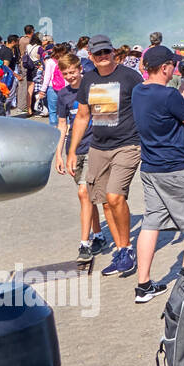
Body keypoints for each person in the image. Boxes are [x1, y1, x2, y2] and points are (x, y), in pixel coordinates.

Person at [131, 45, 184, 303]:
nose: (176, 68)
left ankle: (143, 285)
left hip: (151, 169)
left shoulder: (139, 91)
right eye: (173, 65)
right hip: (178, 169)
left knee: (152, 222)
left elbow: (168, 104)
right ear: (165, 67)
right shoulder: (168, 96)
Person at [68, 35, 144, 277]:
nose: (103, 57)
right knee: (103, 201)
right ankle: (121, 249)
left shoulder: (130, 77)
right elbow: (82, 116)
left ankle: (129, 249)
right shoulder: (88, 80)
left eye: (106, 52)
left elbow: (145, 106)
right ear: (90, 56)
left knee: (115, 196)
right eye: (98, 54)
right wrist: (71, 150)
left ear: (113, 52)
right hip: (98, 147)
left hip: (128, 144)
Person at [53, 52, 107, 264]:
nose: (70, 76)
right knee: (89, 196)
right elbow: (62, 125)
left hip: (95, 147)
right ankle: (99, 235)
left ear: (80, 68)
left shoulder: (93, 88)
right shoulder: (63, 95)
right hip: (74, 150)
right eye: (66, 73)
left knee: (84, 192)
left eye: (73, 72)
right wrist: (59, 154)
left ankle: (84, 244)